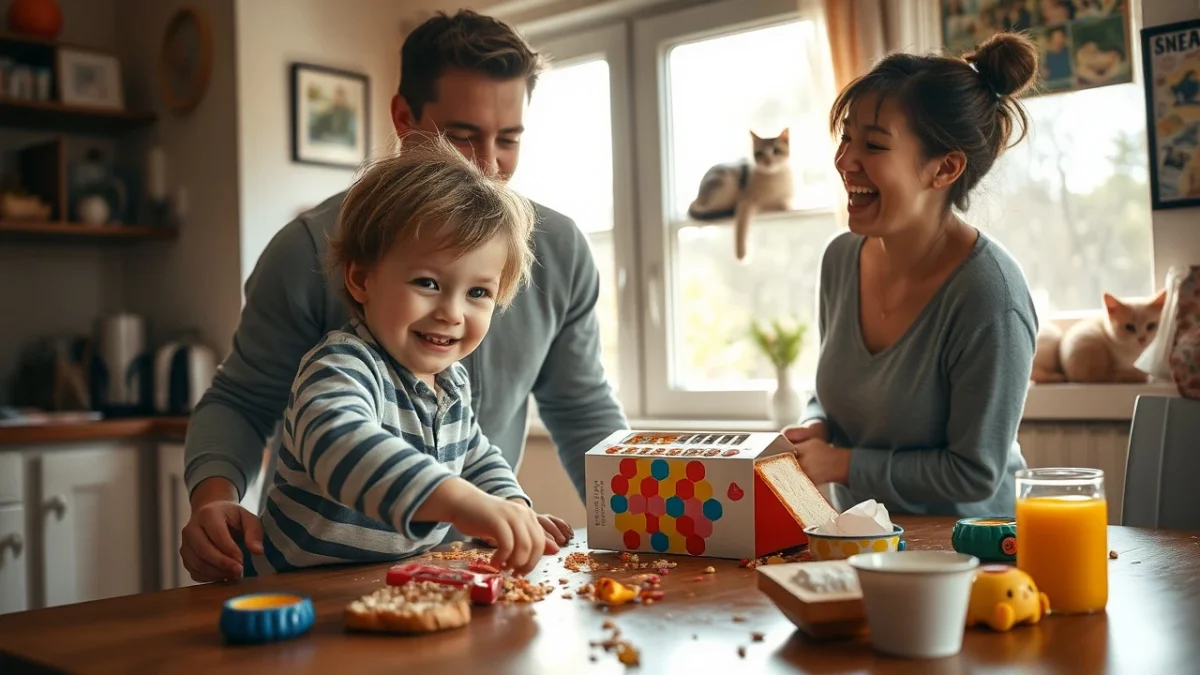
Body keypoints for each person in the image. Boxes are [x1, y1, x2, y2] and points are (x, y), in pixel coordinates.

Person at [180, 10, 627, 583]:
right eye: (461, 135)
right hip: (314, 578)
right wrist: (213, 500)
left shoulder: (558, 252)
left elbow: (574, 410)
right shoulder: (310, 261)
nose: (488, 164)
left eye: (509, 139)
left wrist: (630, 524)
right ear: (404, 119)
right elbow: (258, 406)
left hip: (461, 568)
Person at [244, 136, 556, 577]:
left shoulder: (452, 383)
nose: (452, 313)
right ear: (361, 280)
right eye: (428, 283)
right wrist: (458, 500)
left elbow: (476, 455)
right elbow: (341, 444)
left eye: (478, 292)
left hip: (390, 585)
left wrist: (511, 507)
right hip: (298, 591)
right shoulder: (342, 365)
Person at [784, 33, 1040, 517]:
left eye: (873, 144)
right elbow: (835, 390)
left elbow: (973, 472)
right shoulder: (840, 259)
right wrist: (816, 425)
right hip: (864, 541)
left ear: (945, 168)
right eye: (846, 137)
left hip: (975, 550)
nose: (844, 161)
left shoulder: (990, 296)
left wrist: (841, 463)